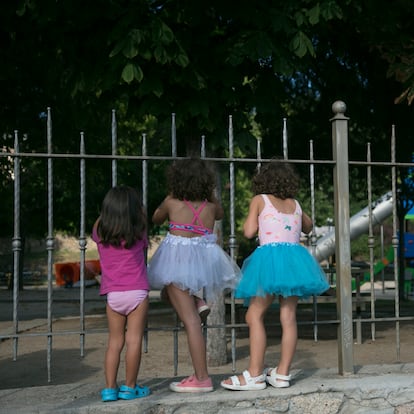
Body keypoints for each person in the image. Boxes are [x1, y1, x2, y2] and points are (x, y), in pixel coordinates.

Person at [221, 160, 330, 391]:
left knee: (253, 315)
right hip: (294, 263)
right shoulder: (296, 204)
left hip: (269, 262)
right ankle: (282, 373)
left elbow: (249, 231)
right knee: (288, 317)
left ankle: (254, 374)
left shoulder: (260, 200)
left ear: (263, 180)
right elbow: (308, 227)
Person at [148, 157, 241, 393]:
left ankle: (201, 377)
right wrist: (210, 195)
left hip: (177, 258)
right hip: (204, 258)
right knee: (170, 291)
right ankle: (198, 301)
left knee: (190, 321)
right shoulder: (211, 206)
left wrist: (170, 196)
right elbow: (219, 214)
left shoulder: (171, 201)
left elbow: (155, 218)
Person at [92, 185, 151, 402]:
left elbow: (101, 221)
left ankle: (109, 389)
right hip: (137, 292)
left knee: (114, 342)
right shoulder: (138, 230)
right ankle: (129, 387)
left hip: (113, 295)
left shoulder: (100, 231)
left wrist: (109, 212)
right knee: (134, 340)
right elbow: (142, 216)